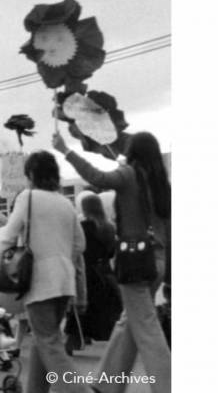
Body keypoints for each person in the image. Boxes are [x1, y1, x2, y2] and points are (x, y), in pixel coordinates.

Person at [53, 131, 172, 393]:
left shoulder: (130, 174)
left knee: (146, 326)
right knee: (130, 320)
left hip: (134, 262)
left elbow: (97, 178)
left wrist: (66, 150)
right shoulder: (162, 184)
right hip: (157, 262)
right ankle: (107, 383)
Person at [0, 151, 88, 393]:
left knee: (48, 342)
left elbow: (8, 235)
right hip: (64, 280)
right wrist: (61, 257)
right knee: (43, 340)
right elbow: (80, 244)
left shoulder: (28, 197)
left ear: (32, 174)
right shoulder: (65, 202)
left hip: (41, 281)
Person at [65, 192, 121, 354]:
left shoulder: (83, 226)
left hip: (86, 271)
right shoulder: (109, 227)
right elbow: (111, 253)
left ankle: (73, 341)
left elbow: (78, 248)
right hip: (104, 272)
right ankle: (109, 342)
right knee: (104, 310)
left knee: (80, 309)